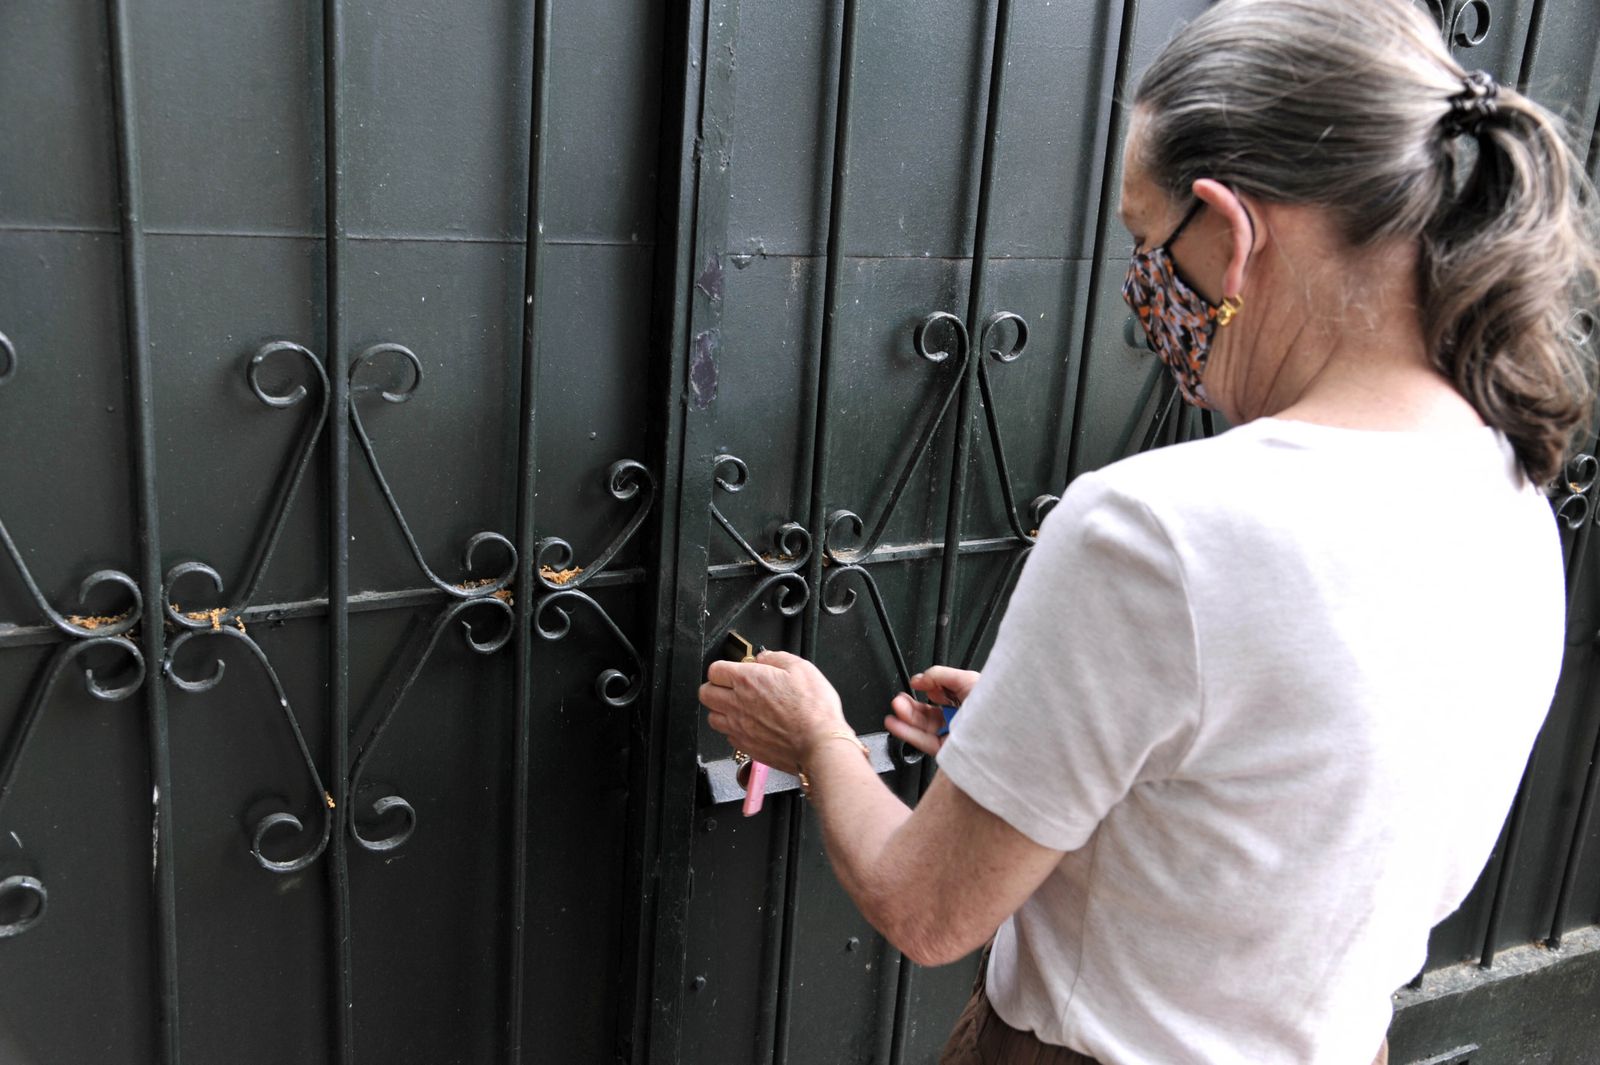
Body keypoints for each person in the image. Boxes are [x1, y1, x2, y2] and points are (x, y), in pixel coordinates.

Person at [698, 0, 1600, 1060]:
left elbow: (925, 910)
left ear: (1229, 227)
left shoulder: (1160, 528)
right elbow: (1304, 807)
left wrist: (810, 734)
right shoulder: (1507, 491)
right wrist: (1058, 743)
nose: (1141, 286)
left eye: (1144, 238)